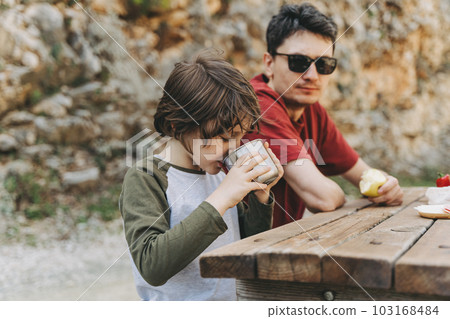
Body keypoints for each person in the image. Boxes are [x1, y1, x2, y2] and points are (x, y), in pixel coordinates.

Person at [119, 50, 283, 300]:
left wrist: (261, 199)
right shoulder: (147, 177)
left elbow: (248, 245)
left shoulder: (218, 172)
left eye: (239, 136)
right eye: (222, 137)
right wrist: (222, 198)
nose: (233, 147)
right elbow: (151, 265)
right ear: (177, 126)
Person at [244, 3, 403, 228]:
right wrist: (341, 194)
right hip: (233, 253)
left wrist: (388, 187)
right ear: (269, 63)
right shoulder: (258, 105)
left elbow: (365, 175)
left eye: (324, 64)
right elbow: (322, 198)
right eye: (299, 62)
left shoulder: (311, 110)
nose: (312, 75)